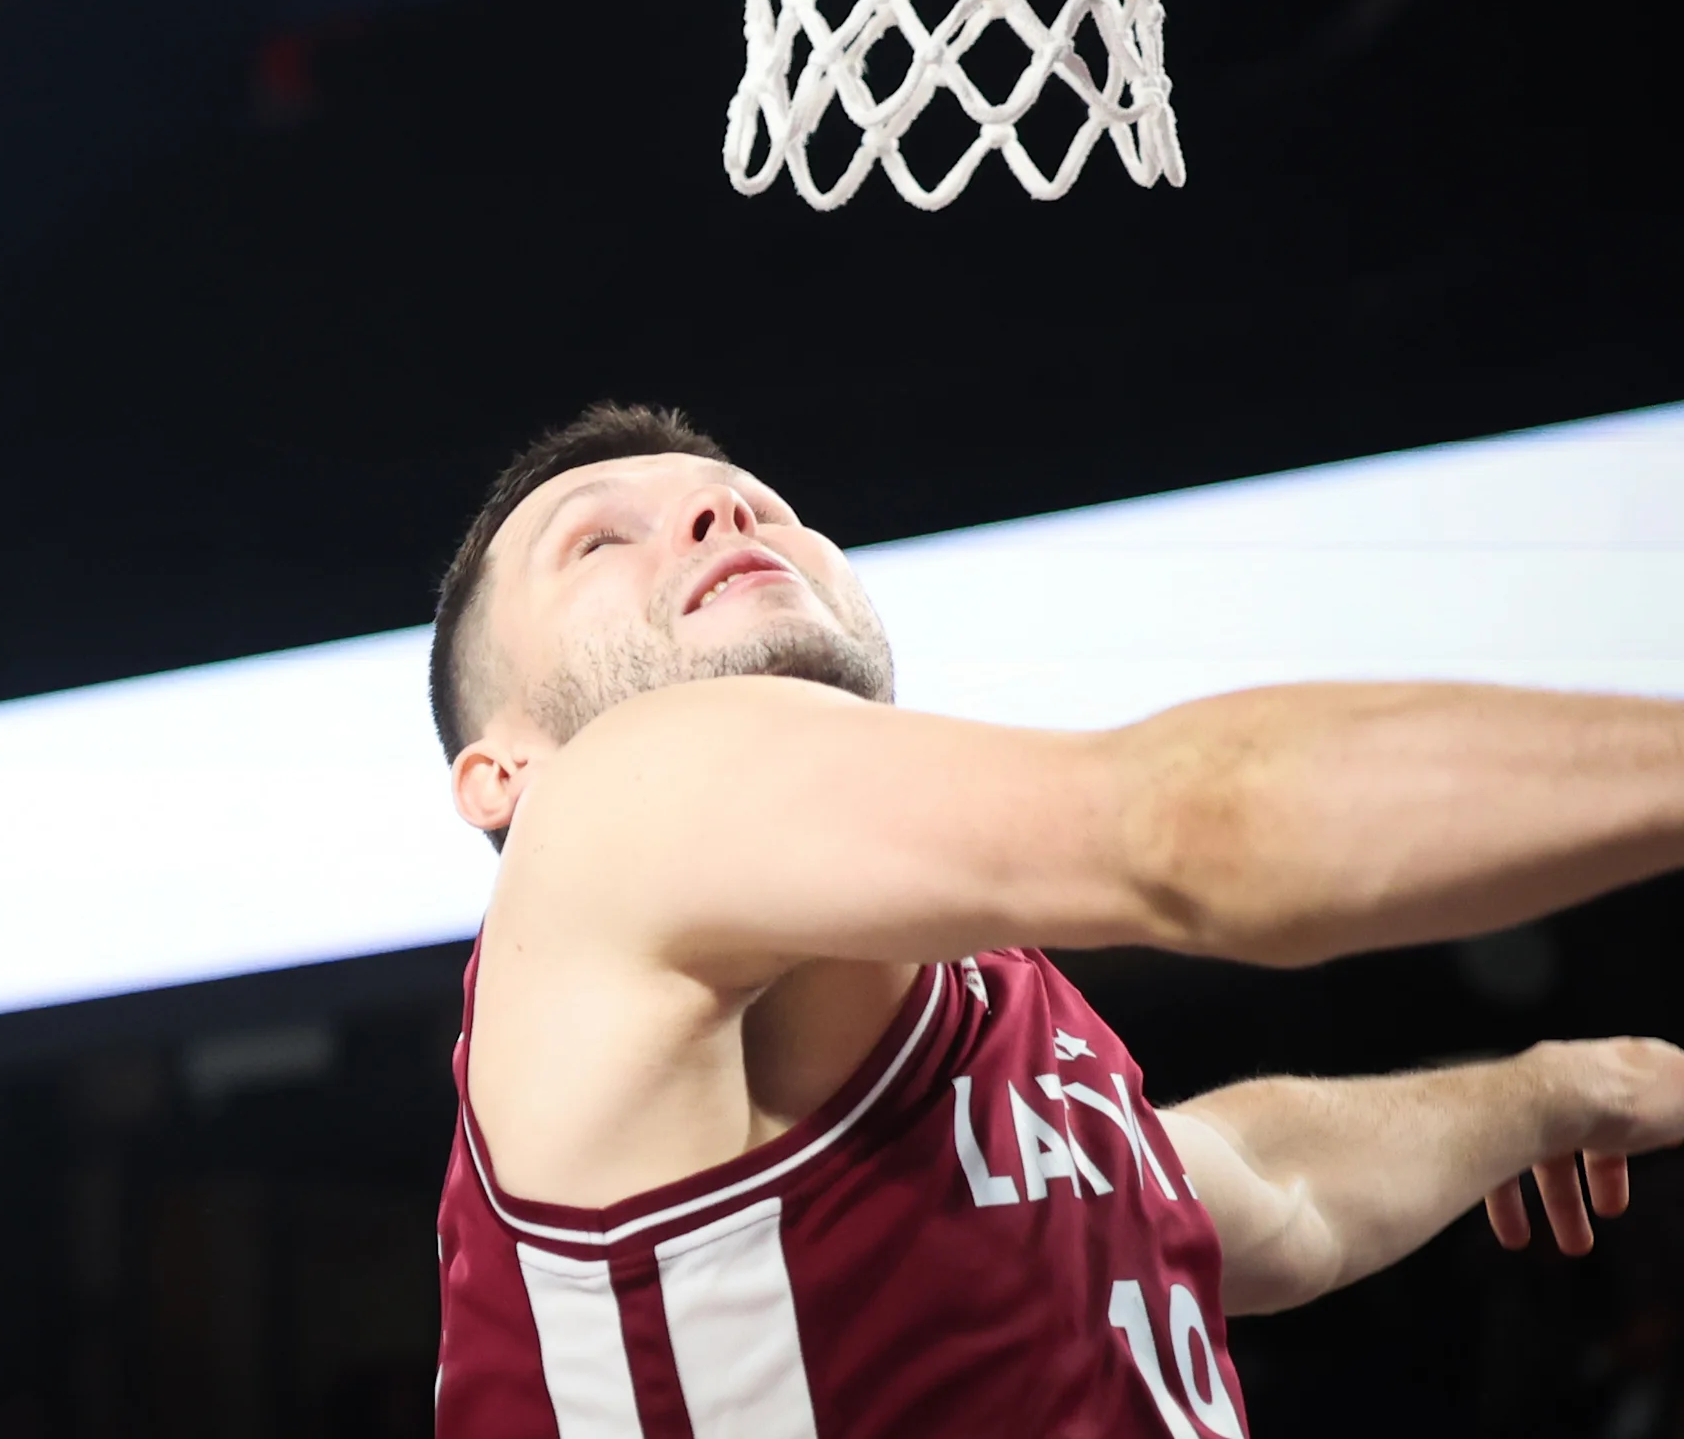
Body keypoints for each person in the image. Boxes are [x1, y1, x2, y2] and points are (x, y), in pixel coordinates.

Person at [425, 402, 1684, 1436]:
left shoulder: (976, 1010)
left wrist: (1559, 1091)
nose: (727, 511)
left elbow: (1259, 1188)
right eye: (599, 542)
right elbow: (1191, 833)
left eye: (754, 497)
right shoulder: (605, 803)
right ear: (506, 770)